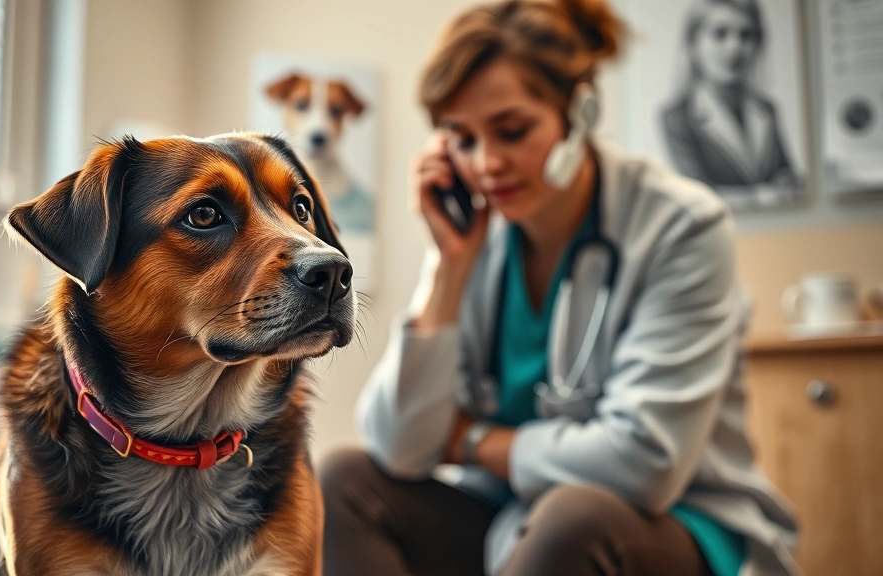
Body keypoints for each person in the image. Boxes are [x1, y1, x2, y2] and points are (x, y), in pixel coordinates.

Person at [318, 1, 798, 575]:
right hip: (510, 513)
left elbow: (643, 462)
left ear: (581, 110)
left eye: (512, 130)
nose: (487, 164)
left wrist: (467, 443)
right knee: (343, 480)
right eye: (462, 139)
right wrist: (449, 268)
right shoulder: (473, 235)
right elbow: (398, 444)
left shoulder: (683, 227)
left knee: (571, 520)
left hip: (672, 520)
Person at [661, 0, 801, 205]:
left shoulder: (766, 109)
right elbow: (695, 197)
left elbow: (786, 177)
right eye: (720, 34)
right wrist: (763, 196)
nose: (734, 47)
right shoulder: (677, 118)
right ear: (693, 44)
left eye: (745, 35)